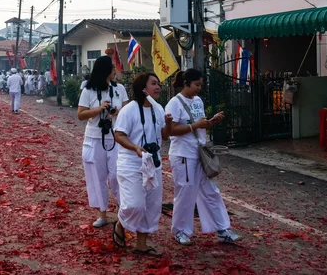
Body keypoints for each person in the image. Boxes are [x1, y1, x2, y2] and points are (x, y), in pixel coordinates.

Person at [165, 69, 241, 245]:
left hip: (199, 152)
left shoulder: (198, 101)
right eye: (196, 85)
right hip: (183, 154)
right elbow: (171, 131)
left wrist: (211, 122)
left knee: (210, 191)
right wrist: (194, 126)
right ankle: (180, 231)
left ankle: (222, 229)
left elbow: (200, 124)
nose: (199, 88)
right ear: (186, 83)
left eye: (200, 85)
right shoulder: (174, 104)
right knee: (185, 193)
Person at [112, 72, 173, 256]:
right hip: (131, 163)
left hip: (152, 163)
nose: (158, 87)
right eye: (153, 84)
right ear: (143, 88)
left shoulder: (158, 109)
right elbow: (119, 135)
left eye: (158, 84)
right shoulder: (129, 109)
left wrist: (168, 124)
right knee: (134, 205)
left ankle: (141, 244)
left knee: (151, 205)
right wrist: (136, 148)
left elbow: (164, 135)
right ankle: (121, 223)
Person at [77, 56, 124, 228]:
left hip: (116, 138)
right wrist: (98, 109)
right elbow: (81, 114)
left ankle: (122, 212)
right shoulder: (89, 90)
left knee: (117, 176)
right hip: (94, 138)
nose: (115, 70)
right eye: (112, 67)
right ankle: (102, 213)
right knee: (98, 177)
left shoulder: (120, 89)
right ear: (104, 70)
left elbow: (127, 110)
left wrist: (117, 111)